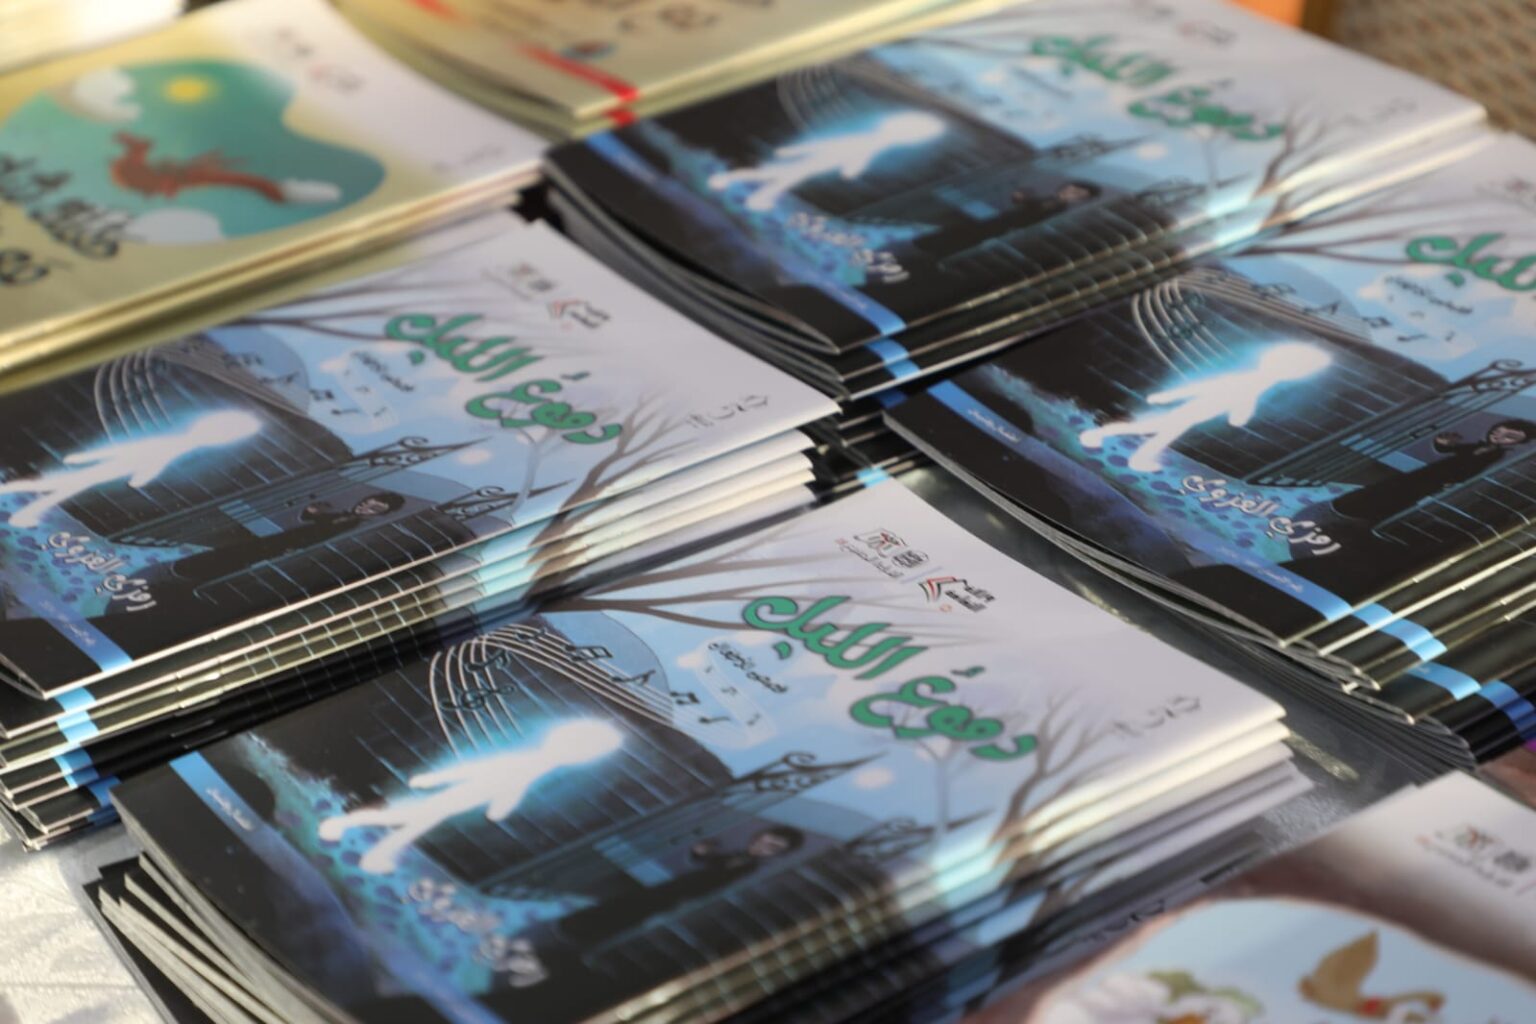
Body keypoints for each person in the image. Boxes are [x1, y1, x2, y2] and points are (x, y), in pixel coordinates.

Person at [1080, 343, 1333, 472]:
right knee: (1158, 429)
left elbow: (1241, 403)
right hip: (1193, 410)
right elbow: (1209, 389)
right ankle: (1108, 440)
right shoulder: (1249, 381)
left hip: (1196, 413)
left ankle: (1121, 447)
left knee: (1159, 430)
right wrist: (1168, 396)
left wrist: (1238, 415)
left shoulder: (1256, 384)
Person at [0, 409, 260, 528]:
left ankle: (22, 513)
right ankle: (13, 501)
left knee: (56, 490)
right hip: (98, 469)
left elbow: (151, 464)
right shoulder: (171, 444)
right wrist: (83, 457)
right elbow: (129, 453)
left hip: (100, 474)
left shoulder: (178, 448)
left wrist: (140, 478)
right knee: (46, 484)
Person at [553, 826, 806, 946]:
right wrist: (700, 852)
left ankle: (582, 931)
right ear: (756, 837)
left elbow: (715, 880)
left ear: (779, 854)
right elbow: (707, 864)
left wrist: (703, 861)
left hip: (681, 896)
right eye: (764, 841)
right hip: (675, 889)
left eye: (773, 847)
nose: (763, 847)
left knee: (629, 912)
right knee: (624, 906)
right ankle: (578, 927)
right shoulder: (741, 856)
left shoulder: (749, 867)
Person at [707, 111, 946, 212]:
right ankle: (734, 183)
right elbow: (832, 146)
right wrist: (794, 150)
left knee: (779, 177)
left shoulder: (875, 144)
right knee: (776, 176)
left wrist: (852, 169)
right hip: (814, 160)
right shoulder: (866, 140)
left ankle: (752, 194)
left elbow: (859, 157)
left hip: (817, 165)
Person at [163, 491, 405, 586]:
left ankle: (197, 570)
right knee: (236, 554)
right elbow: (312, 522)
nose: (365, 506)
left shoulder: (352, 523)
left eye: (374, 508)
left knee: (239, 559)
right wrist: (311, 512)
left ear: (382, 513)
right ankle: (195, 567)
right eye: (367, 502)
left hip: (287, 546)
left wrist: (312, 518)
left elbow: (321, 534)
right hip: (283, 541)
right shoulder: (345, 515)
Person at [1325, 421, 1536, 527]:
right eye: (1498, 431)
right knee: (1395, 489)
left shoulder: (1494, 454)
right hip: (1433, 474)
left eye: (1509, 437)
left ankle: (1363, 512)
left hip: (1439, 478)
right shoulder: (1481, 447)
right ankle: (1354, 506)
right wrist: (1443, 443)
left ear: (1519, 443)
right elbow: (1453, 451)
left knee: (1401, 495)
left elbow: (1470, 468)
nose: (1498, 436)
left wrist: (1454, 479)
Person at [913, 180, 1101, 260]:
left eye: (1077, 193)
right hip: (1000, 223)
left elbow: (1031, 213)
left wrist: (1022, 201)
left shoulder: (1057, 205)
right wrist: (1021, 199)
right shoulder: (1052, 201)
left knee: (965, 237)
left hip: (1003, 226)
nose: (1070, 192)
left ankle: (930, 248)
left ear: (1081, 199)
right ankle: (928, 246)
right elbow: (1028, 207)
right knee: (963, 233)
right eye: (1071, 188)